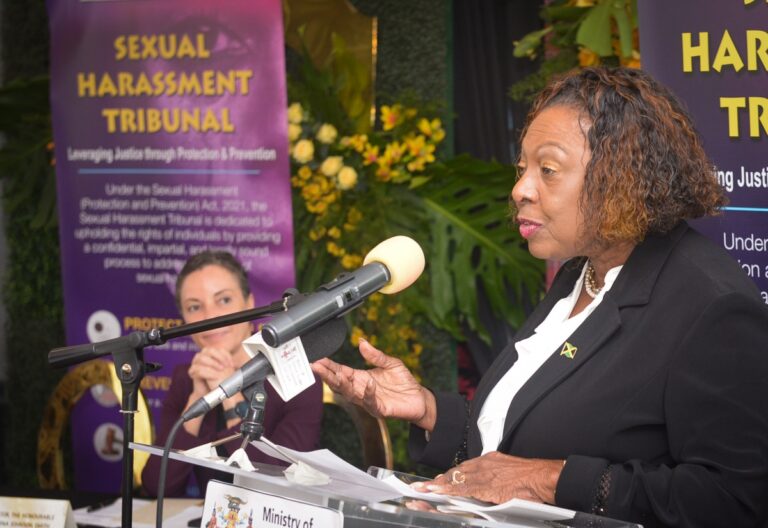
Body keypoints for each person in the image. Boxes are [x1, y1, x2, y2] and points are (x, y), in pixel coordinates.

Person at [312, 67, 768, 527]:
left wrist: (549, 480)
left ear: (621, 177)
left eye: (547, 170)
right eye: (522, 168)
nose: (520, 190)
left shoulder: (710, 305)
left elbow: (736, 499)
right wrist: (428, 410)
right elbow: (525, 441)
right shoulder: (580, 273)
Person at [142, 251, 323, 497]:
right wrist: (198, 397)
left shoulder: (296, 376)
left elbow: (273, 486)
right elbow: (157, 487)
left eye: (224, 300)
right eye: (195, 307)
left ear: (249, 304)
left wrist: (229, 394)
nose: (211, 317)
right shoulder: (188, 378)